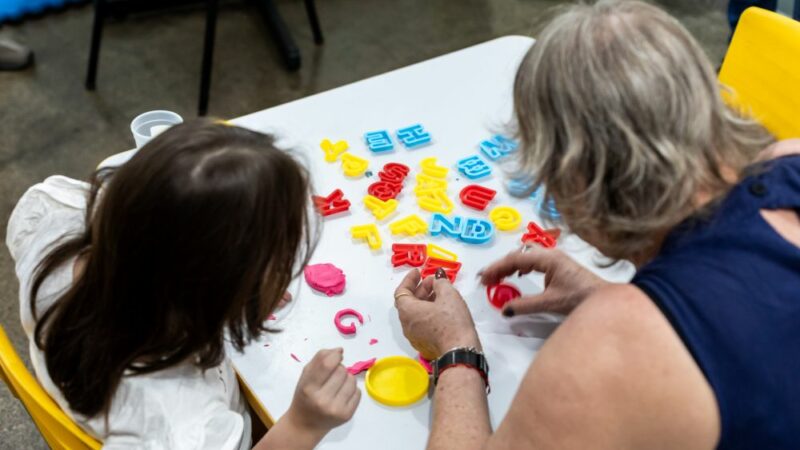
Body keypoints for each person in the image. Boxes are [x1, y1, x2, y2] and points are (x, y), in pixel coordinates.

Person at [393, 1, 800, 449]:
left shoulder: (609, 350)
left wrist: (456, 347)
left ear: (574, 180)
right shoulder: (789, 160)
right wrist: (608, 295)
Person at [6, 120, 360, 449]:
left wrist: (241, 290)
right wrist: (303, 425)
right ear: (210, 287)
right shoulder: (184, 421)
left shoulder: (54, 220)